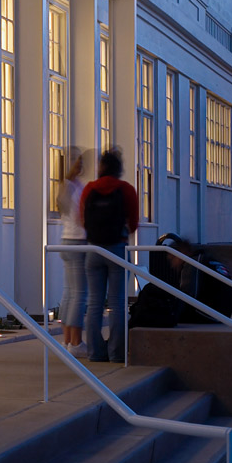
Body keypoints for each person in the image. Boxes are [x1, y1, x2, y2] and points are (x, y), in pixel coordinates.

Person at [80, 147, 139, 363]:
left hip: (93, 250)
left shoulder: (89, 189)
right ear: (119, 168)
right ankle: (116, 353)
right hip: (117, 249)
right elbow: (133, 224)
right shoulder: (126, 190)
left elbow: (82, 220)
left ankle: (95, 352)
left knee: (95, 303)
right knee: (117, 303)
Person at [56, 149, 93, 353]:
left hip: (66, 240)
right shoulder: (74, 187)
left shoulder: (66, 186)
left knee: (70, 291)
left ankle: (68, 340)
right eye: (77, 161)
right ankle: (75, 342)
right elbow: (81, 216)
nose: (80, 165)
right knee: (80, 293)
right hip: (78, 240)